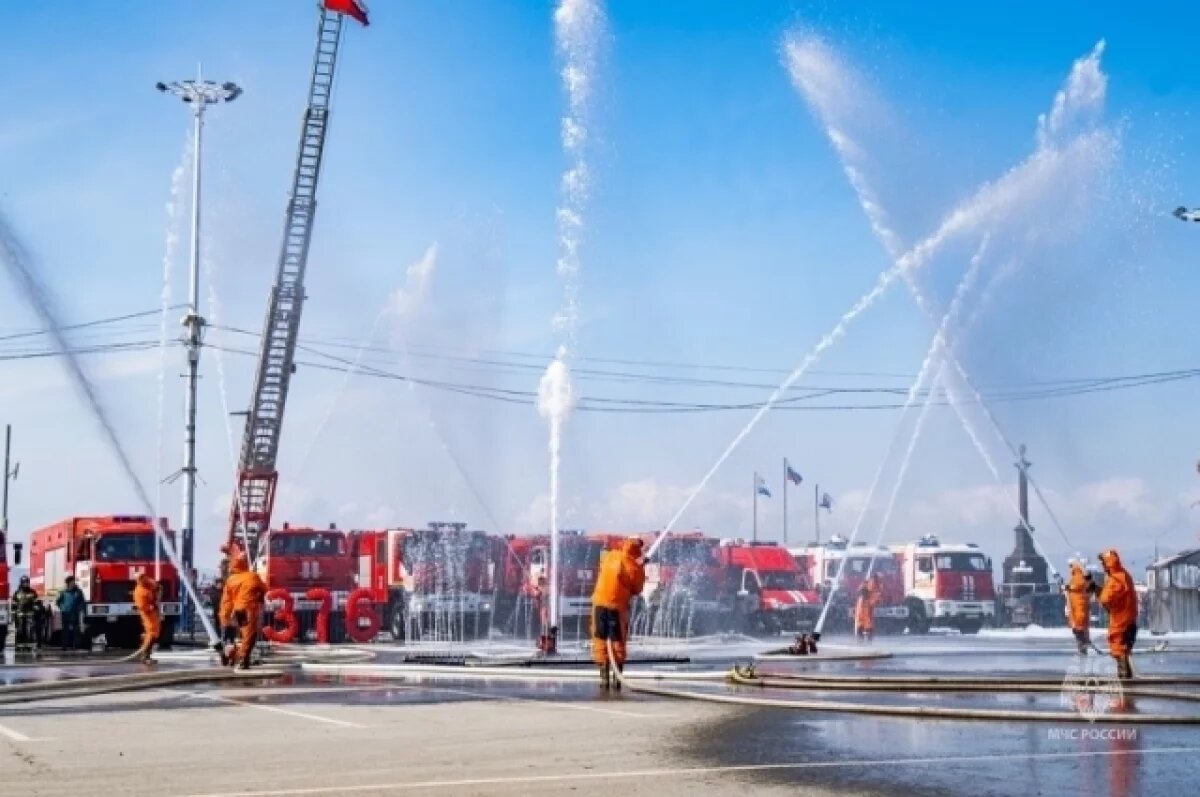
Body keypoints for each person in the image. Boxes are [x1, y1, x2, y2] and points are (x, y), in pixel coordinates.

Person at [590, 536, 645, 690]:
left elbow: (602, 568)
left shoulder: (610, 556)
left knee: (600, 638)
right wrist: (641, 567)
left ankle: (604, 677)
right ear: (637, 549)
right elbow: (637, 589)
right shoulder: (633, 567)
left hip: (599, 602)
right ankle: (617, 677)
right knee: (618, 641)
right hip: (617, 607)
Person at [219, 552, 267, 670]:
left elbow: (226, 601)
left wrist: (224, 617)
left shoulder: (230, 580)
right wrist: (260, 597)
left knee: (244, 636)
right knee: (249, 636)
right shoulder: (252, 576)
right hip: (249, 609)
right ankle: (240, 659)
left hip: (238, 611)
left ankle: (234, 655)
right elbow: (264, 588)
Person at [1098, 548, 1137, 680]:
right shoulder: (1123, 575)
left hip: (1122, 619)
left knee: (1118, 647)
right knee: (1121, 649)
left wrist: (1098, 591)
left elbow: (1106, 598)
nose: (1102, 567)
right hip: (1125, 617)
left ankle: (1124, 677)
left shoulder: (1117, 579)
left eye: (1103, 563)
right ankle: (1126, 676)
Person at [1062, 559, 1095, 655]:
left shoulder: (1078, 576)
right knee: (1080, 628)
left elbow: (1078, 585)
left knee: (1079, 628)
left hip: (1078, 607)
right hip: (1076, 607)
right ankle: (1083, 645)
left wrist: (1068, 587)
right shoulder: (1080, 576)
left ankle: (1082, 646)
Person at [132, 573, 161, 663]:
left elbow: (156, 586)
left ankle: (147, 654)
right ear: (137, 580)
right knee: (151, 632)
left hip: (153, 612)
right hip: (147, 614)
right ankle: (145, 655)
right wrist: (151, 607)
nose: (143, 579)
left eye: (143, 576)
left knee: (155, 632)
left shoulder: (148, 584)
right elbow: (142, 606)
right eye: (140, 578)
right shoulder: (139, 591)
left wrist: (157, 587)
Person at [55, 576, 87, 652]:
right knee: (65, 631)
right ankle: (64, 646)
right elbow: (58, 601)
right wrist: (62, 608)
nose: (73, 583)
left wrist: (80, 609)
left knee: (76, 630)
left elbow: (82, 602)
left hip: (75, 613)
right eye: (72, 582)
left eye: (74, 581)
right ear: (68, 583)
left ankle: (76, 646)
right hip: (65, 613)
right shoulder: (63, 592)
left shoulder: (78, 591)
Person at [11, 576, 38, 651]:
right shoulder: (17, 593)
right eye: (24, 582)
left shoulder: (33, 592)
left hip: (29, 614)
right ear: (21, 583)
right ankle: (19, 646)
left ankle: (28, 645)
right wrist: (14, 614)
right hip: (19, 615)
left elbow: (37, 602)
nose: (26, 584)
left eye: (27, 582)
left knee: (29, 630)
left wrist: (36, 608)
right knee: (19, 630)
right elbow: (14, 605)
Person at [855, 574, 881, 643]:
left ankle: (863, 638)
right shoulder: (873, 585)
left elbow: (875, 599)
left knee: (864, 623)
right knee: (865, 623)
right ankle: (864, 638)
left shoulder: (869, 584)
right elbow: (875, 599)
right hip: (864, 606)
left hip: (865, 606)